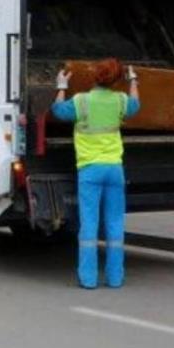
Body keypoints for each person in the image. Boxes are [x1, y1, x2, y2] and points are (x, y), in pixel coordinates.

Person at [52, 59, 140, 289]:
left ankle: (88, 278)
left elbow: (58, 111)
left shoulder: (81, 101)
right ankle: (115, 277)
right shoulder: (120, 101)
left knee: (89, 225)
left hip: (90, 170)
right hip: (114, 169)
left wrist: (61, 86)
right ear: (116, 80)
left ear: (95, 77)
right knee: (115, 223)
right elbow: (135, 106)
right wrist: (134, 81)